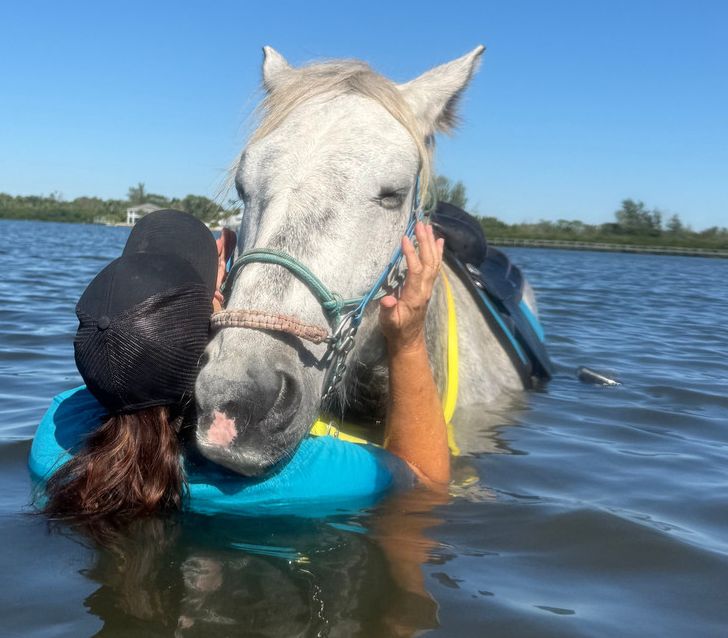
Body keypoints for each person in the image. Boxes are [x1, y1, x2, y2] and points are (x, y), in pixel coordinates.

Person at [32, 209, 448, 531]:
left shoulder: (57, 436)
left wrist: (190, 301)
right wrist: (407, 340)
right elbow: (426, 480)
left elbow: (132, 361)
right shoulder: (296, 479)